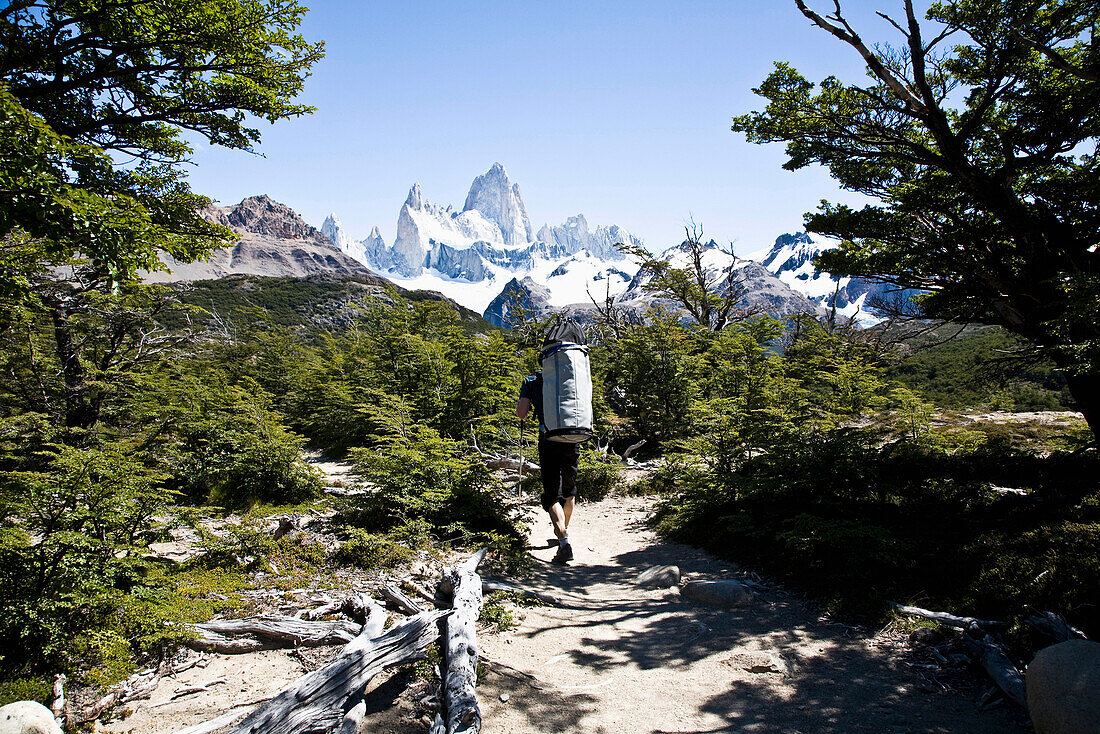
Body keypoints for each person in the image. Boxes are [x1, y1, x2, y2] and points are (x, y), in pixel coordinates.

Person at [517, 370, 580, 564]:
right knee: (569, 490)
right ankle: (563, 529)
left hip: (548, 438)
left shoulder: (532, 380)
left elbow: (522, 413)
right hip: (573, 436)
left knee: (552, 493)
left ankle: (563, 542)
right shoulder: (571, 374)